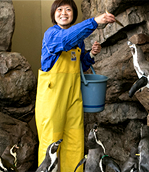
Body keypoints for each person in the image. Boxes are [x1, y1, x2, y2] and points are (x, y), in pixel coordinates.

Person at [35, 0, 116, 171]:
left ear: (73, 14)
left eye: (68, 10)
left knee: (74, 139)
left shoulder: (77, 40)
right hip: (52, 98)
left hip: (73, 96)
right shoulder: (52, 34)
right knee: (51, 141)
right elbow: (65, 41)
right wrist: (94, 22)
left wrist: (91, 55)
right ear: (53, 13)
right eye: (59, 9)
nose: (64, 13)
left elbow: (80, 66)